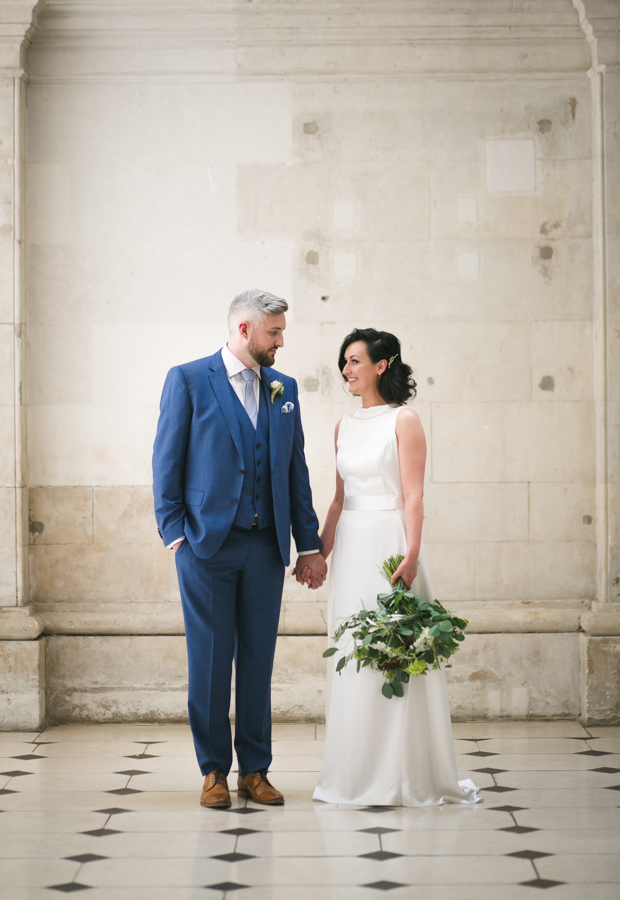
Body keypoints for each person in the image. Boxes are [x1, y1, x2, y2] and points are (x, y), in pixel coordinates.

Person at [153, 289, 327, 810]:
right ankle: (213, 772)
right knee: (209, 660)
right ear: (245, 330)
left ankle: (256, 769)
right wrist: (176, 532)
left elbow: (297, 470)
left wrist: (309, 544)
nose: (281, 342)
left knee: (258, 660)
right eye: (274, 332)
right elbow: (166, 460)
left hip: (265, 547)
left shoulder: (283, 388)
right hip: (205, 546)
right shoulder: (187, 379)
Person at [312, 328, 479, 807]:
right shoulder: (343, 426)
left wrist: (411, 553)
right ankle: (354, 772)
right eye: (344, 362)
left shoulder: (405, 420)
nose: (346, 370)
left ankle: (404, 775)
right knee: (354, 651)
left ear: (381, 365)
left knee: (395, 651)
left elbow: (413, 495)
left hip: (391, 545)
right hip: (351, 546)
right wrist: (318, 554)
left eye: (354, 361)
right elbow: (340, 499)